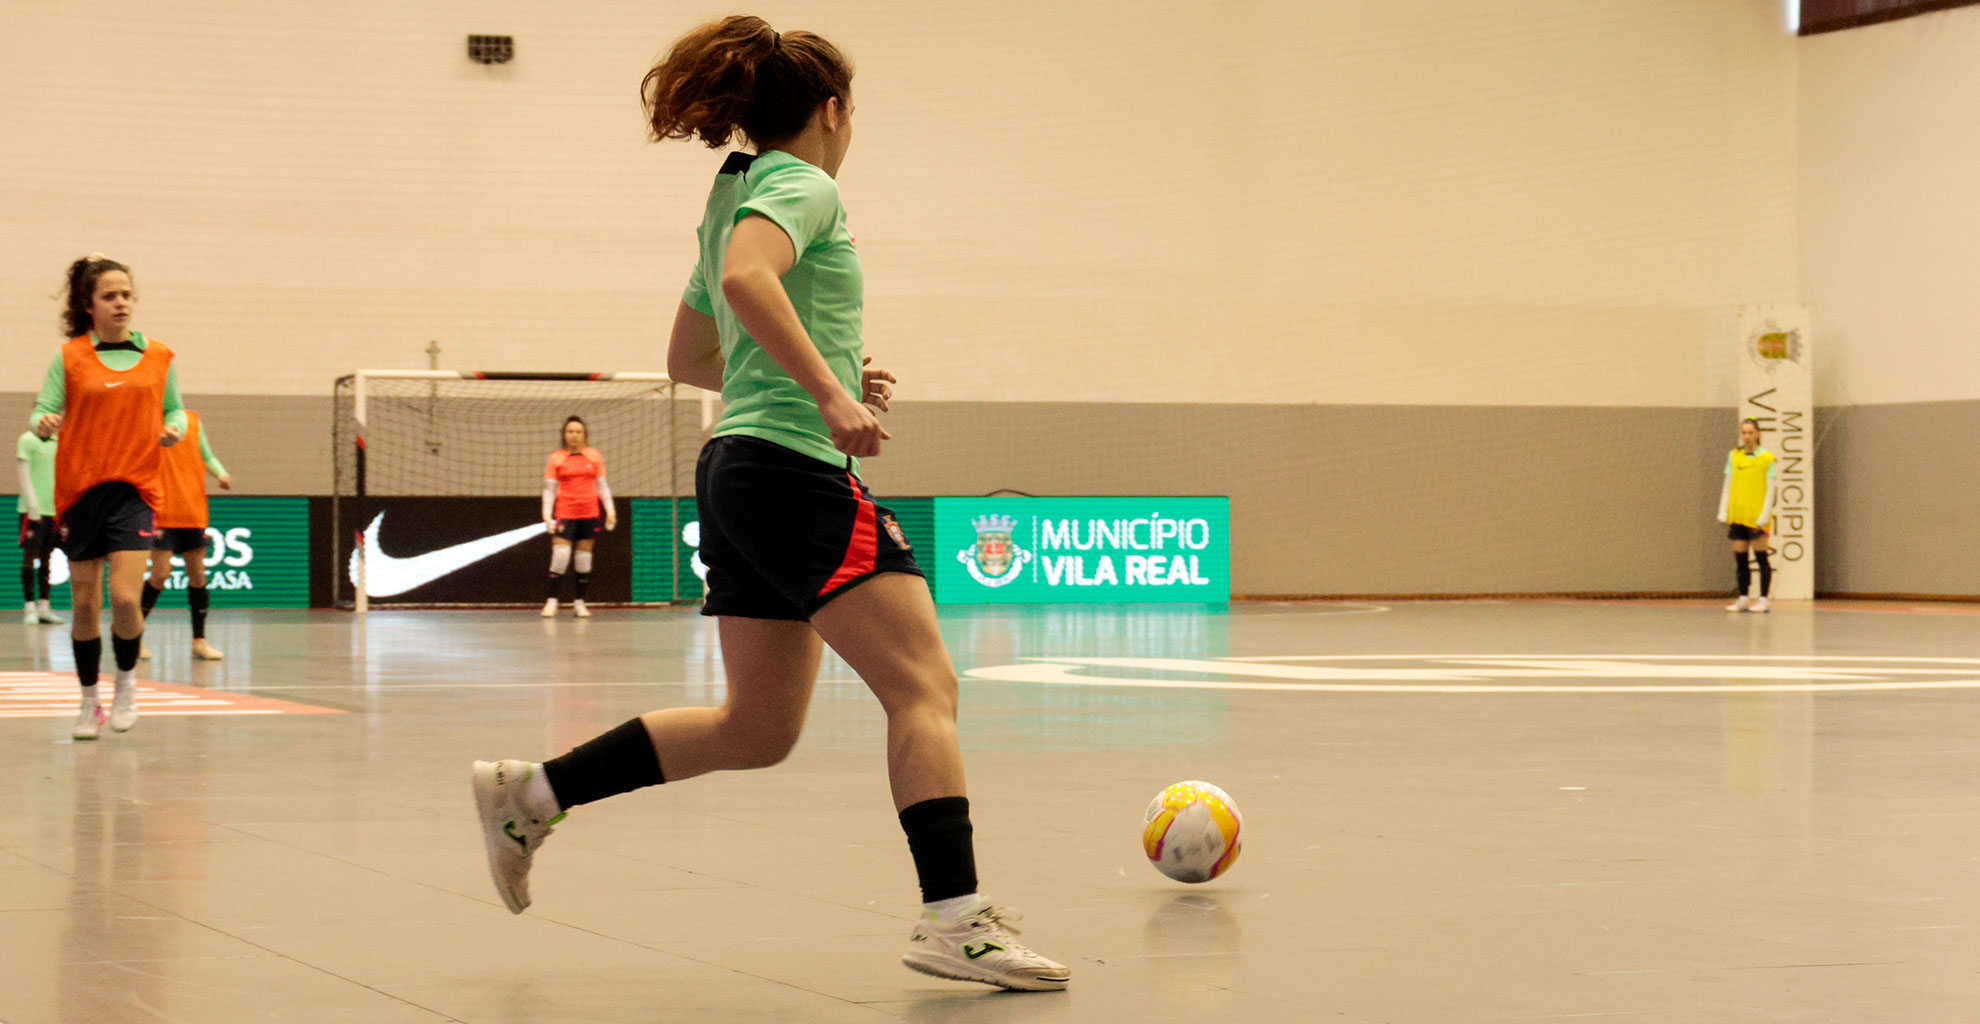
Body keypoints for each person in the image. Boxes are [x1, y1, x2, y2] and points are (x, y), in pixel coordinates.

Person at [472, 15, 1068, 991]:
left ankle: (533, 793)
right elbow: (751, 281)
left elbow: (690, 357)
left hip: (737, 467)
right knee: (924, 686)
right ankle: (956, 919)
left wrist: (825, 366)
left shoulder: (732, 195)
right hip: (789, 470)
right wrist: (830, 396)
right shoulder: (805, 183)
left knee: (759, 725)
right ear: (834, 109)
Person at [32, 254, 187, 739]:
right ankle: (87, 702)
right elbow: (44, 408)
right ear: (89, 305)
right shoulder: (70, 357)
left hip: (134, 489)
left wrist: (174, 431)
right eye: (109, 296)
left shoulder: (159, 356)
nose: (121, 303)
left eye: (126, 294)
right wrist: (45, 421)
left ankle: (125, 686)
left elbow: (176, 410)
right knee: (82, 605)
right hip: (81, 491)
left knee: (123, 597)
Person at [139, 408, 231, 660]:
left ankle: (199, 641)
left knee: (198, 574)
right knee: (160, 575)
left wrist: (221, 474)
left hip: (192, 510)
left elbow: (207, 456)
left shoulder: (192, 420)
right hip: (161, 511)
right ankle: (134, 634)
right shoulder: (148, 420)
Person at [541, 415, 615, 618]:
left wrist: (611, 511)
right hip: (565, 513)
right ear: (564, 435)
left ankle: (579, 602)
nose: (574, 435)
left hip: (589, 514)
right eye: (570, 431)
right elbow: (549, 490)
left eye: (578, 431)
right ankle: (552, 601)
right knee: (560, 557)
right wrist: (547, 515)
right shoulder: (556, 458)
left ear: (584, 435)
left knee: (583, 560)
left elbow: (603, 486)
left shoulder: (594, 456)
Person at [1717, 417, 1778, 613]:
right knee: (1740, 557)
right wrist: (1723, 510)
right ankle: (1743, 596)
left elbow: (1770, 491)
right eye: (1744, 432)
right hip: (1739, 515)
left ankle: (1763, 599)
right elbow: (1728, 483)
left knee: (1761, 557)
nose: (1747, 436)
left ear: (1758, 434)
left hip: (1756, 517)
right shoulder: (1734, 456)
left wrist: (1764, 515)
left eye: (1751, 432)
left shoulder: (1767, 459)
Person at [16, 422, 63, 625]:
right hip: (32, 510)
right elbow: (23, 475)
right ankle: (29, 608)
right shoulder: (27, 440)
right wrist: (33, 505)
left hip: (53, 510)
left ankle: (44, 606)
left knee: (47, 557)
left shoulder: (57, 442)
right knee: (30, 556)